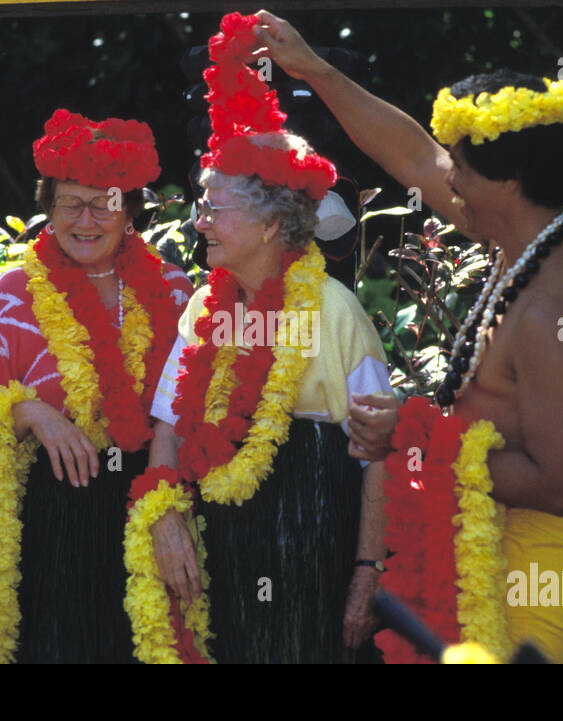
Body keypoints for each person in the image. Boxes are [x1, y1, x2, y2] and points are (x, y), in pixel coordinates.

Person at [254, 10, 563, 662]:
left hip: (532, 561)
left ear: (508, 179)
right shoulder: (522, 228)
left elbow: (559, 481)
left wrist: (412, 435)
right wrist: (312, 68)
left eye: (464, 169)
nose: (446, 180)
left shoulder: (556, 306)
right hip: (476, 527)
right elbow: (413, 151)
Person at [124, 13, 391, 664]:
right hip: (223, 567)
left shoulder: (337, 312)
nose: (198, 220)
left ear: (272, 224)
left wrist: (366, 571)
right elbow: (169, 425)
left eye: (214, 206)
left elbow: (378, 454)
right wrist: (163, 520)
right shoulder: (201, 313)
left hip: (315, 572)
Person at [0, 110, 192, 663]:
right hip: (52, 534)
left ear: (129, 210)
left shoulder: (173, 290)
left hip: (151, 513)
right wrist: (31, 412)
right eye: (70, 203)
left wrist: (166, 501)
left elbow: (194, 405)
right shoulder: (12, 295)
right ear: (48, 210)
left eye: (104, 203)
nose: (87, 220)